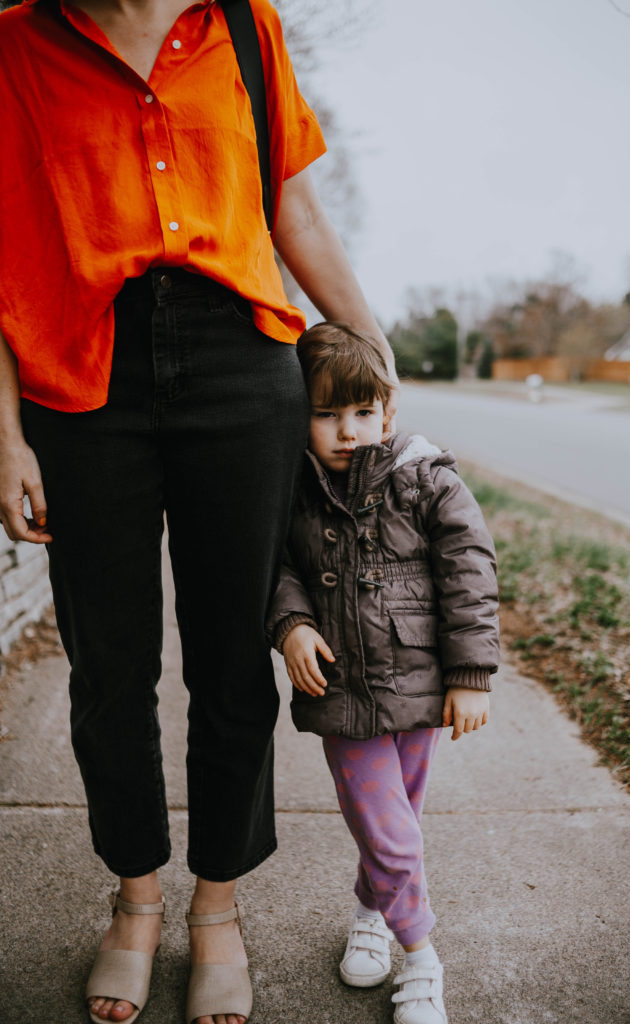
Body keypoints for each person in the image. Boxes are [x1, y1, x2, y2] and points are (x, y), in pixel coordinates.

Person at [0, 2, 397, 1023]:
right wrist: (2, 437)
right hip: (83, 381)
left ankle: (215, 909)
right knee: (109, 664)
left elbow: (295, 213)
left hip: (239, 365)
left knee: (232, 657)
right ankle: (134, 903)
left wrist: (372, 354)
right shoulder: (13, 45)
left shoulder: (245, 26)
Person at [266, 323, 499, 1024]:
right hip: (341, 688)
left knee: (397, 819)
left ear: (387, 413)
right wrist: (291, 625)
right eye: (326, 412)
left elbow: (470, 570)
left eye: (362, 412)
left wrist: (471, 673)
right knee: (388, 828)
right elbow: (275, 568)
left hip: (420, 680)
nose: (346, 431)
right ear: (296, 413)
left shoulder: (424, 479)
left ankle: (370, 911)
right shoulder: (289, 490)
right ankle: (421, 956)